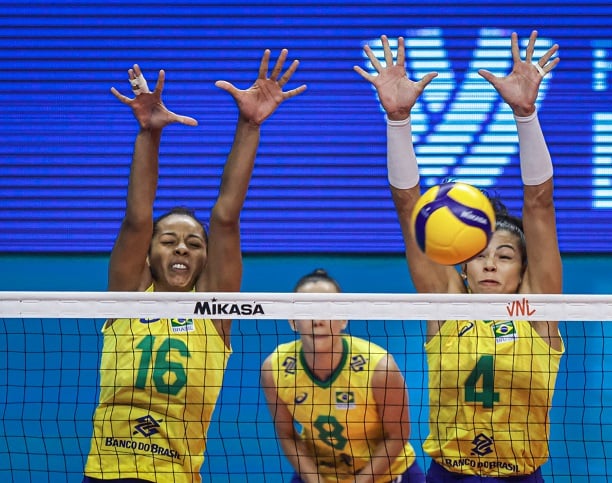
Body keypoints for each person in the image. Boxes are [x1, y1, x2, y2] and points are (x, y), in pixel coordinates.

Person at [82, 50, 306, 482]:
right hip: (106, 474)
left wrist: (250, 124)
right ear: (149, 255)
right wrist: (148, 134)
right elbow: (136, 219)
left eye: (193, 243)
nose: (181, 249)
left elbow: (225, 216)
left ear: (205, 259)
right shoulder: (128, 296)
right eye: (168, 241)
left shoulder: (215, 313)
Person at [355, 31, 564, 482]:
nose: (490, 264)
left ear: (525, 271)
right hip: (447, 475)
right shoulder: (446, 305)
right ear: (463, 268)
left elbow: (540, 203)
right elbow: (409, 205)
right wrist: (398, 120)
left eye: (505, 255)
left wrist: (525, 115)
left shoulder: (540, 310)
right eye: (481, 255)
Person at [260, 268, 425, 483]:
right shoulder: (275, 369)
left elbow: (398, 436)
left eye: (327, 309)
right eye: (307, 310)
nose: (317, 320)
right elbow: (287, 435)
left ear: (344, 318)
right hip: (321, 475)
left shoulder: (380, 368)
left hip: (388, 474)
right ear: (293, 321)